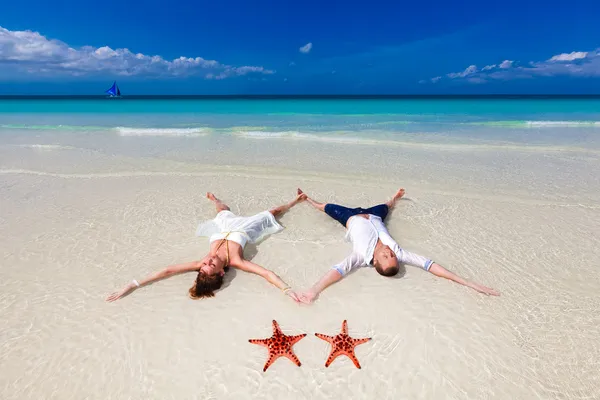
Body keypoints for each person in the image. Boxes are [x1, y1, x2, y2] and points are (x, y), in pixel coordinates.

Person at [296, 188, 499, 304]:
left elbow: (336, 272)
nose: (389, 252)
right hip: (375, 215)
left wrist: (314, 290)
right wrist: (469, 283)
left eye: (386, 257)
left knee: (326, 207)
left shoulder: (359, 256)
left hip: (350, 216)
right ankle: (395, 197)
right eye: (391, 255)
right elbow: (431, 266)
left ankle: (310, 201)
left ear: (375, 261)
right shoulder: (400, 254)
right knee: (389, 206)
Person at [106, 192, 306, 303]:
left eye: (205, 265)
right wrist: (287, 291)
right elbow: (266, 273)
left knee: (222, 210)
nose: (207, 260)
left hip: (221, 229)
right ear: (220, 273)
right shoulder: (237, 261)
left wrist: (132, 284)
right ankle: (294, 202)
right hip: (243, 230)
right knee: (273, 212)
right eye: (211, 265)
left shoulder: (201, 263)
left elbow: (166, 270)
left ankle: (214, 199)